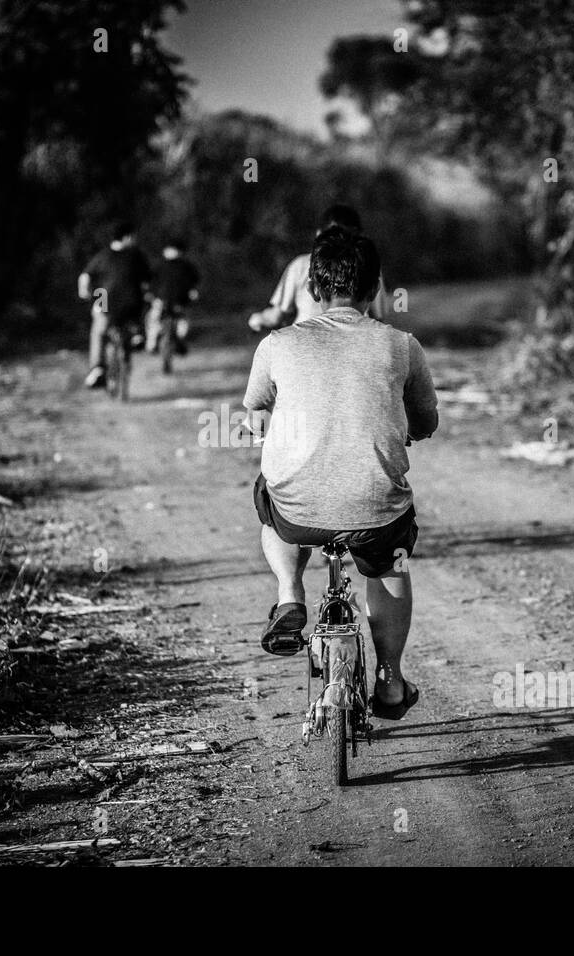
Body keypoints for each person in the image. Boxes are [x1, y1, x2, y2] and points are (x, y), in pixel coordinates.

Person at [242, 226, 438, 720]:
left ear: (312, 289)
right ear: (375, 291)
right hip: (377, 510)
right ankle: (390, 683)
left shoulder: (277, 344)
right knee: (390, 563)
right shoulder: (401, 345)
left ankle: (289, 596)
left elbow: (254, 414)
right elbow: (427, 421)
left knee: (272, 501)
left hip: (297, 509)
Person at [247, 204, 390, 332]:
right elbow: (379, 319)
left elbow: (277, 315)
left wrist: (258, 319)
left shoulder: (301, 265)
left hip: (303, 345)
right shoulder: (369, 266)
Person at [78, 221, 150, 389]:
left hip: (103, 297)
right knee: (140, 306)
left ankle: (97, 368)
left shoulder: (102, 256)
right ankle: (137, 334)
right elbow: (147, 281)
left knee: (99, 331)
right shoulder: (136, 255)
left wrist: (85, 293)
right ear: (127, 237)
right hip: (132, 300)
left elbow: (85, 277)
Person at [145, 237, 200, 362]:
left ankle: (176, 343)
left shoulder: (185, 266)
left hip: (178, 302)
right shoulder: (161, 266)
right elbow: (151, 283)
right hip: (163, 301)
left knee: (180, 324)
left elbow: (193, 283)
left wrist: (192, 292)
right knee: (154, 321)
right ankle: (152, 342)